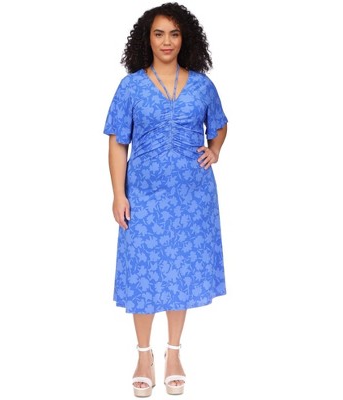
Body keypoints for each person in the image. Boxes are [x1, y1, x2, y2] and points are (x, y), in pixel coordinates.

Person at [103, 2, 228, 397]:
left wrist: (215, 150)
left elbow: (220, 125)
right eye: (159, 34)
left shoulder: (202, 85)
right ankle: (144, 356)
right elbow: (117, 142)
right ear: (148, 39)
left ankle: (174, 354)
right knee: (143, 272)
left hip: (191, 196)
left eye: (174, 34)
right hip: (144, 195)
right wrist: (118, 194)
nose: (167, 41)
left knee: (181, 271)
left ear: (184, 39)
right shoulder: (131, 86)